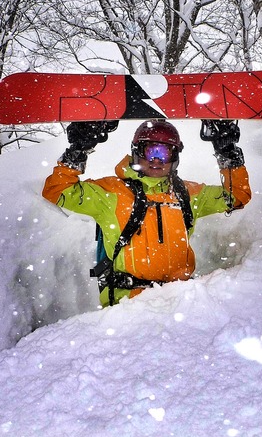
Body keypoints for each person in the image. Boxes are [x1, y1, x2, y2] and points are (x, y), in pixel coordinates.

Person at [42, 119, 251, 307]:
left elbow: (237, 196)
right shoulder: (110, 193)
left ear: (174, 157)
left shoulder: (188, 194)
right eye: (151, 151)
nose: (157, 160)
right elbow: (57, 190)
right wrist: (79, 148)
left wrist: (228, 152)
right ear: (137, 152)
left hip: (183, 301)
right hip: (129, 306)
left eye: (165, 152)